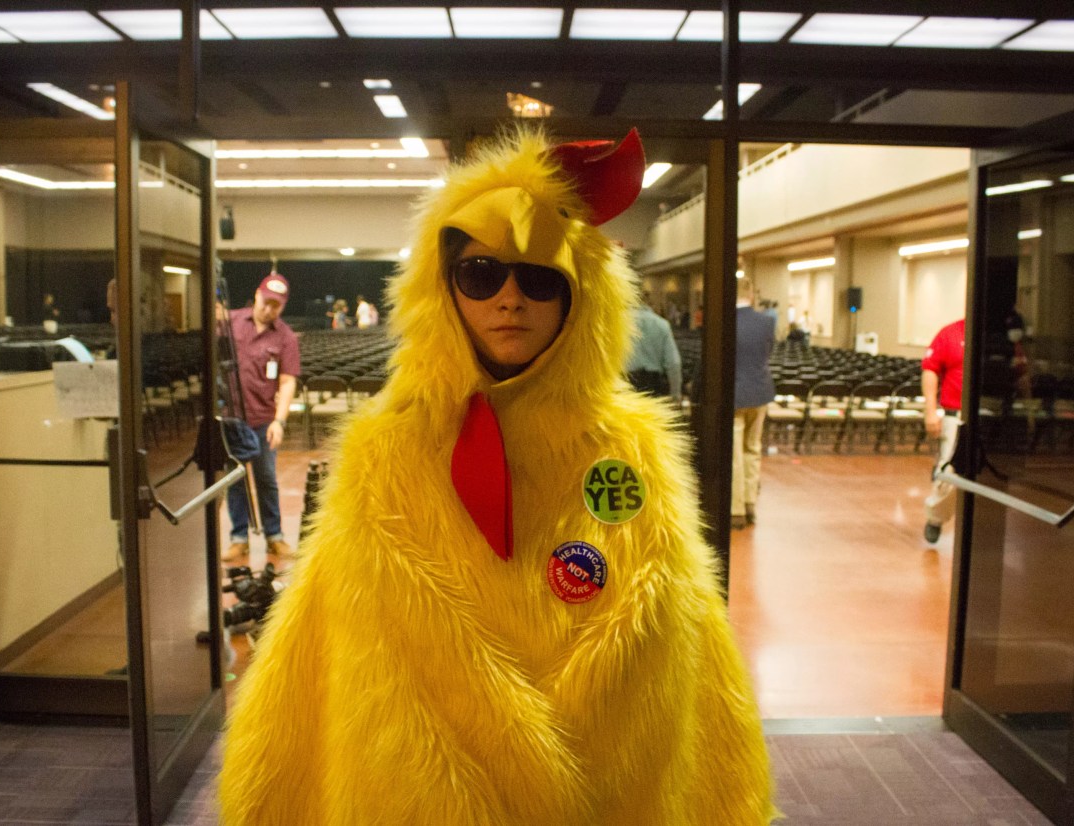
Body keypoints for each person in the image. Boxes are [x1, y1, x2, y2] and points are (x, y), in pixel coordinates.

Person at [220, 128, 773, 824]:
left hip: (602, 787)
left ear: (580, 297)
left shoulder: (631, 449)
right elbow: (319, 637)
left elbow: (682, 631)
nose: (510, 300)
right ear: (442, 289)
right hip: (424, 788)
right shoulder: (387, 450)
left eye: (539, 279)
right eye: (481, 275)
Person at [222, 272, 300, 562]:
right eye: (265, 302)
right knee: (235, 478)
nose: (268, 309)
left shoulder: (285, 337)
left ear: (283, 306)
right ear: (256, 295)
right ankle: (238, 538)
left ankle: (274, 535)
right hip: (232, 419)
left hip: (264, 419)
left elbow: (287, 381)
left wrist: (280, 421)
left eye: (275, 305)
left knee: (266, 478)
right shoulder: (229, 322)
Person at [731, 276, 777, 530]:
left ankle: (735, 509)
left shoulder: (727, 321)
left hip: (735, 394)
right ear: (751, 295)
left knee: (735, 453)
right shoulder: (767, 321)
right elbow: (768, 354)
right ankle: (750, 504)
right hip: (760, 391)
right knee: (753, 448)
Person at [922, 318, 965, 544]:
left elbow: (1021, 373)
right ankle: (935, 518)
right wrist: (930, 411)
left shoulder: (1000, 336)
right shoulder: (950, 333)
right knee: (950, 469)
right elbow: (930, 370)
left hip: (993, 414)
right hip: (955, 414)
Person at [625, 291, 682, 405]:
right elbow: (673, 363)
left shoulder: (621, 324)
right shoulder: (662, 324)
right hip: (652, 385)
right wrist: (675, 395)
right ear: (649, 303)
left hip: (626, 384)